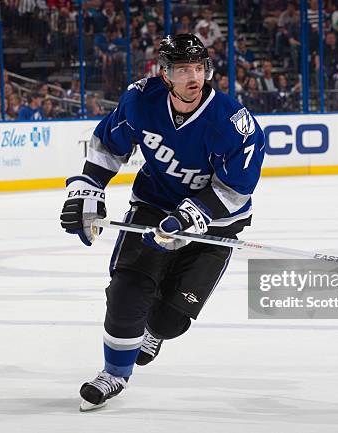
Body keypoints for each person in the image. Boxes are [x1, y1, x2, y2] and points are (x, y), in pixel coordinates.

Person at [60, 33, 265, 410]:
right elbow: (109, 144)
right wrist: (89, 187)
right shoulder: (141, 99)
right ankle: (114, 375)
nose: (194, 77)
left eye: (199, 68)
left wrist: (192, 215)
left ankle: (154, 329)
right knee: (127, 289)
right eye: (184, 69)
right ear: (165, 74)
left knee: (171, 321)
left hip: (217, 224)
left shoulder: (233, 123)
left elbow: (235, 190)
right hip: (154, 204)